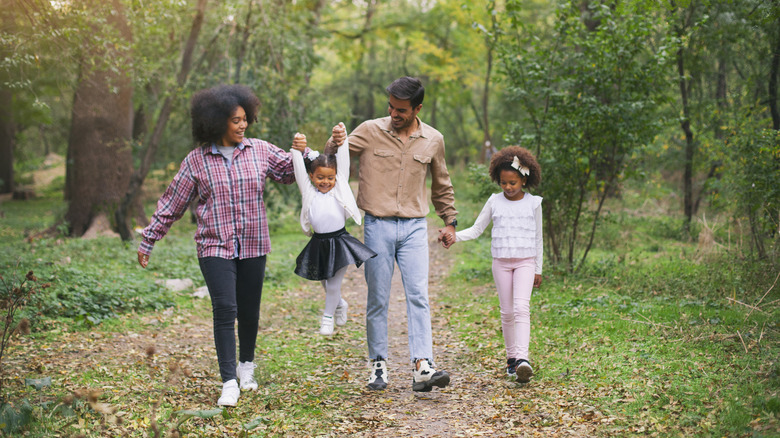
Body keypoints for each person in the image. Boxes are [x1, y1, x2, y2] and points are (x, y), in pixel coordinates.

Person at [136, 84, 309, 407]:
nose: (243, 125)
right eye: (235, 120)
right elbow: (172, 203)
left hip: (254, 243)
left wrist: (305, 152)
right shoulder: (196, 161)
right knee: (225, 309)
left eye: (245, 119)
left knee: (249, 310)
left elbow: (289, 172)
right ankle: (229, 381)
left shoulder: (258, 149)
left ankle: (247, 368)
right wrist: (149, 239)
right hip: (214, 246)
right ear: (215, 122)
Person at [328, 76, 457, 392]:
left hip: (414, 227)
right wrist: (334, 141)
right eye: (391, 107)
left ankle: (422, 366)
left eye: (401, 109)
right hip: (377, 226)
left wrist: (450, 220)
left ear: (417, 108)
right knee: (378, 298)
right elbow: (333, 159)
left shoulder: (433, 139)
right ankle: (378, 366)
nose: (394, 113)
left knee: (418, 295)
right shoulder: (370, 130)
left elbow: (441, 183)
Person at [443, 145, 542, 384]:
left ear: (524, 181)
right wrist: (455, 236)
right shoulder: (495, 202)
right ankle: (511, 361)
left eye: (513, 183)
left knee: (521, 308)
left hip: (526, 261)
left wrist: (538, 268)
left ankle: (523, 359)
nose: (508, 187)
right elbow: (478, 229)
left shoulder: (533, 204)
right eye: (504, 183)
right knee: (507, 312)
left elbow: (539, 237)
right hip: (501, 263)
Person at [290, 124, 376, 336]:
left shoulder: (340, 188)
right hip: (318, 243)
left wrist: (343, 141)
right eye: (320, 178)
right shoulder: (308, 193)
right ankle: (340, 304)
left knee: (333, 283)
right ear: (312, 177)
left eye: (330, 178)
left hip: (339, 242)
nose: (326, 182)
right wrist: (296, 150)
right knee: (324, 281)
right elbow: (299, 169)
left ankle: (327, 318)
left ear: (336, 177)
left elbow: (344, 163)